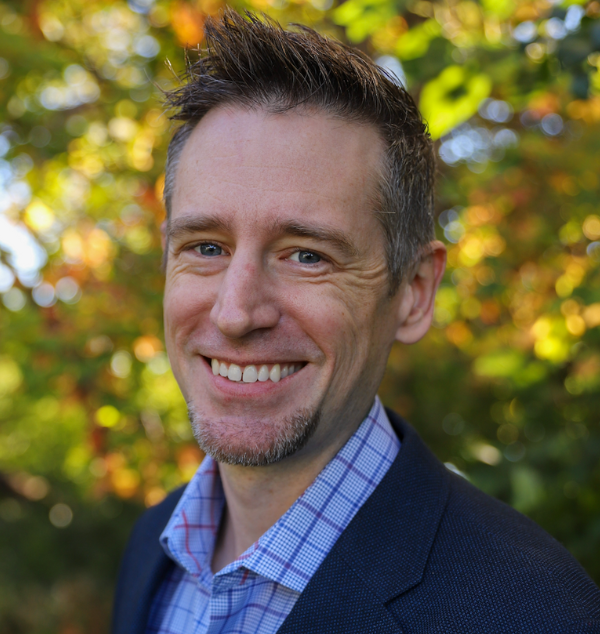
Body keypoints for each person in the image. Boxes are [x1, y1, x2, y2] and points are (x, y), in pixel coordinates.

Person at [112, 10, 600, 634]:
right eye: (205, 247)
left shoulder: (531, 614)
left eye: (307, 255)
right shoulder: (152, 547)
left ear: (414, 293)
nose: (235, 313)